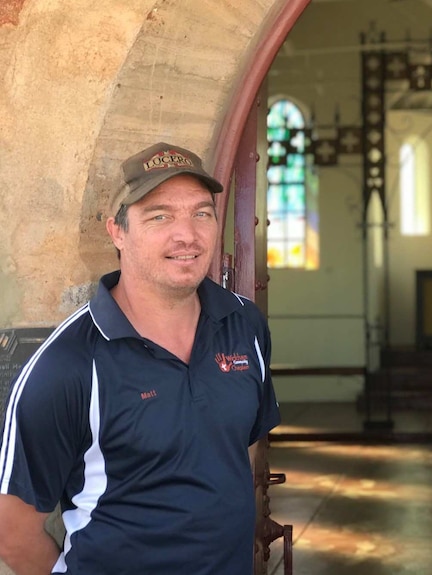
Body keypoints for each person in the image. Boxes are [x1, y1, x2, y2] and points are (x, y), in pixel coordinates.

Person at [0, 142, 280, 574]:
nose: (187, 234)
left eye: (201, 213)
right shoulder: (67, 364)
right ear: (118, 231)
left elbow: (234, 449)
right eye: (160, 216)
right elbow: (12, 531)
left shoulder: (245, 326)